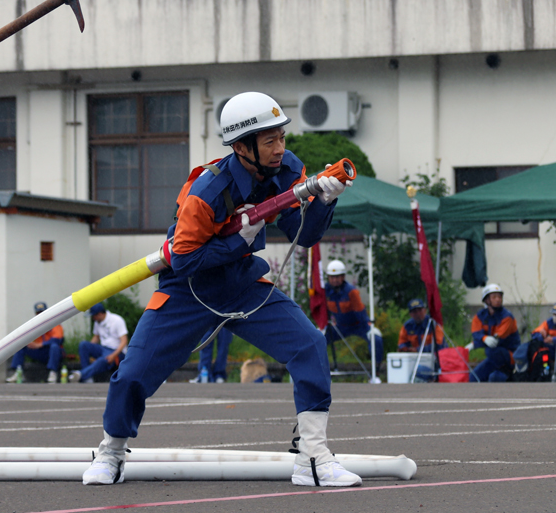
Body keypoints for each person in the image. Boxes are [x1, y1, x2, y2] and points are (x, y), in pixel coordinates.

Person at [82, 92, 360, 489]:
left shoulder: (289, 170)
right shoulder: (206, 191)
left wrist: (325, 201)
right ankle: (111, 450)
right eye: (270, 141)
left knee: (309, 345)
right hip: (187, 290)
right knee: (132, 374)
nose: (280, 147)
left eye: (281, 137)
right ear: (242, 147)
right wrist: (239, 240)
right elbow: (184, 260)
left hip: (242, 283)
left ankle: (312, 457)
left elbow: (306, 236)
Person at [323, 259, 384, 373]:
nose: (335, 280)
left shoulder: (351, 291)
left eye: (338, 277)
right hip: (340, 326)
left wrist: (368, 327)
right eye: (332, 277)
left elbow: (360, 312)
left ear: (343, 277)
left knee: (376, 339)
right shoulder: (324, 291)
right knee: (317, 338)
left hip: (358, 326)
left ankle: (376, 371)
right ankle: (318, 370)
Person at [466, 283, 519, 383]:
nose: (498, 299)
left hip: (509, 355)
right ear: (486, 300)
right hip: (493, 358)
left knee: (491, 353)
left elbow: (496, 341)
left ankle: (505, 372)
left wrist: (475, 344)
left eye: (499, 296)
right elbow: (476, 333)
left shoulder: (507, 316)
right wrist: (484, 339)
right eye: (494, 297)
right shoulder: (480, 316)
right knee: (472, 378)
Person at [7, 301, 65, 384]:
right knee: (21, 345)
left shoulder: (54, 323)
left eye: (42, 312)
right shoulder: (34, 325)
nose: (40, 315)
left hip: (51, 352)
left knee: (54, 346)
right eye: (38, 313)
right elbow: (26, 337)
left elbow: (57, 340)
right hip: (40, 352)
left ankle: (53, 372)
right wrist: (28, 343)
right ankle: (18, 372)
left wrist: (40, 344)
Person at [72, 302, 128, 384]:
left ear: (100, 314)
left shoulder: (117, 320)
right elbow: (96, 337)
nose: (93, 318)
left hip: (116, 352)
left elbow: (124, 341)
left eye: (94, 316)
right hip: (103, 348)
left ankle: (81, 374)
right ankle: (87, 377)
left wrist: (113, 355)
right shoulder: (97, 322)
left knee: (102, 360)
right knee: (83, 345)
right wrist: (90, 349)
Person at [526, 306, 556, 381]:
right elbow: (535, 333)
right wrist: (541, 335)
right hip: (551, 351)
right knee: (541, 350)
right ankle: (544, 371)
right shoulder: (549, 323)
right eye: (554, 314)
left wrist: (553, 339)